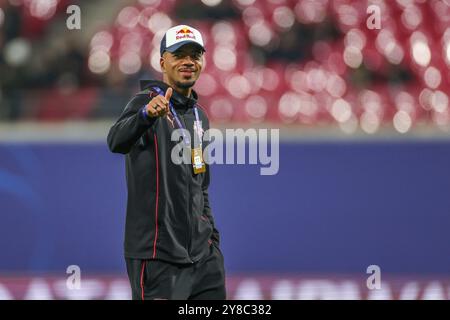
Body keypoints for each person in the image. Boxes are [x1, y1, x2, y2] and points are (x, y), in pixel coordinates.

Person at [107, 25, 226, 300]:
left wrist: (213, 242)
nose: (188, 61)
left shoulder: (200, 116)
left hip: (204, 260)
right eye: (179, 54)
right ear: (163, 62)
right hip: (158, 257)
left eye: (195, 55)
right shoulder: (146, 101)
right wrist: (145, 116)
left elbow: (201, 183)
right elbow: (115, 141)